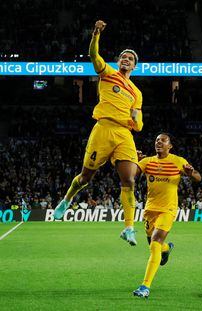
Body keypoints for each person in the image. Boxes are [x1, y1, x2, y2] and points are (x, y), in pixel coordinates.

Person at [53, 20, 143, 247]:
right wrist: (96, 33)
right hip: (103, 129)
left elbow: (139, 120)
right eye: (123, 56)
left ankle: (129, 228)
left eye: (130, 58)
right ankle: (66, 200)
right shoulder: (107, 73)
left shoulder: (136, 92)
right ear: (118, 61)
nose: (126, 59)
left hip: (124, 134)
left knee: (129, 180)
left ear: (134, 66)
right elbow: (94, 55)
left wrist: (136, 122)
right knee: (85, 178)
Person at [133, 133, 201, 298]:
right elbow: (129, 176)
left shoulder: (178, 161)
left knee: (155, 243)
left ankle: (145, 286)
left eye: (163, 140)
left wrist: (191, 174)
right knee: (153, 243)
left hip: (168, 209)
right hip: (150, 210)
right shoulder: (147, 161)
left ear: (170, 146)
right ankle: (167, 248)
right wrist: (133, 161)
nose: (159, 142)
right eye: (157, 140)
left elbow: (198, 178)